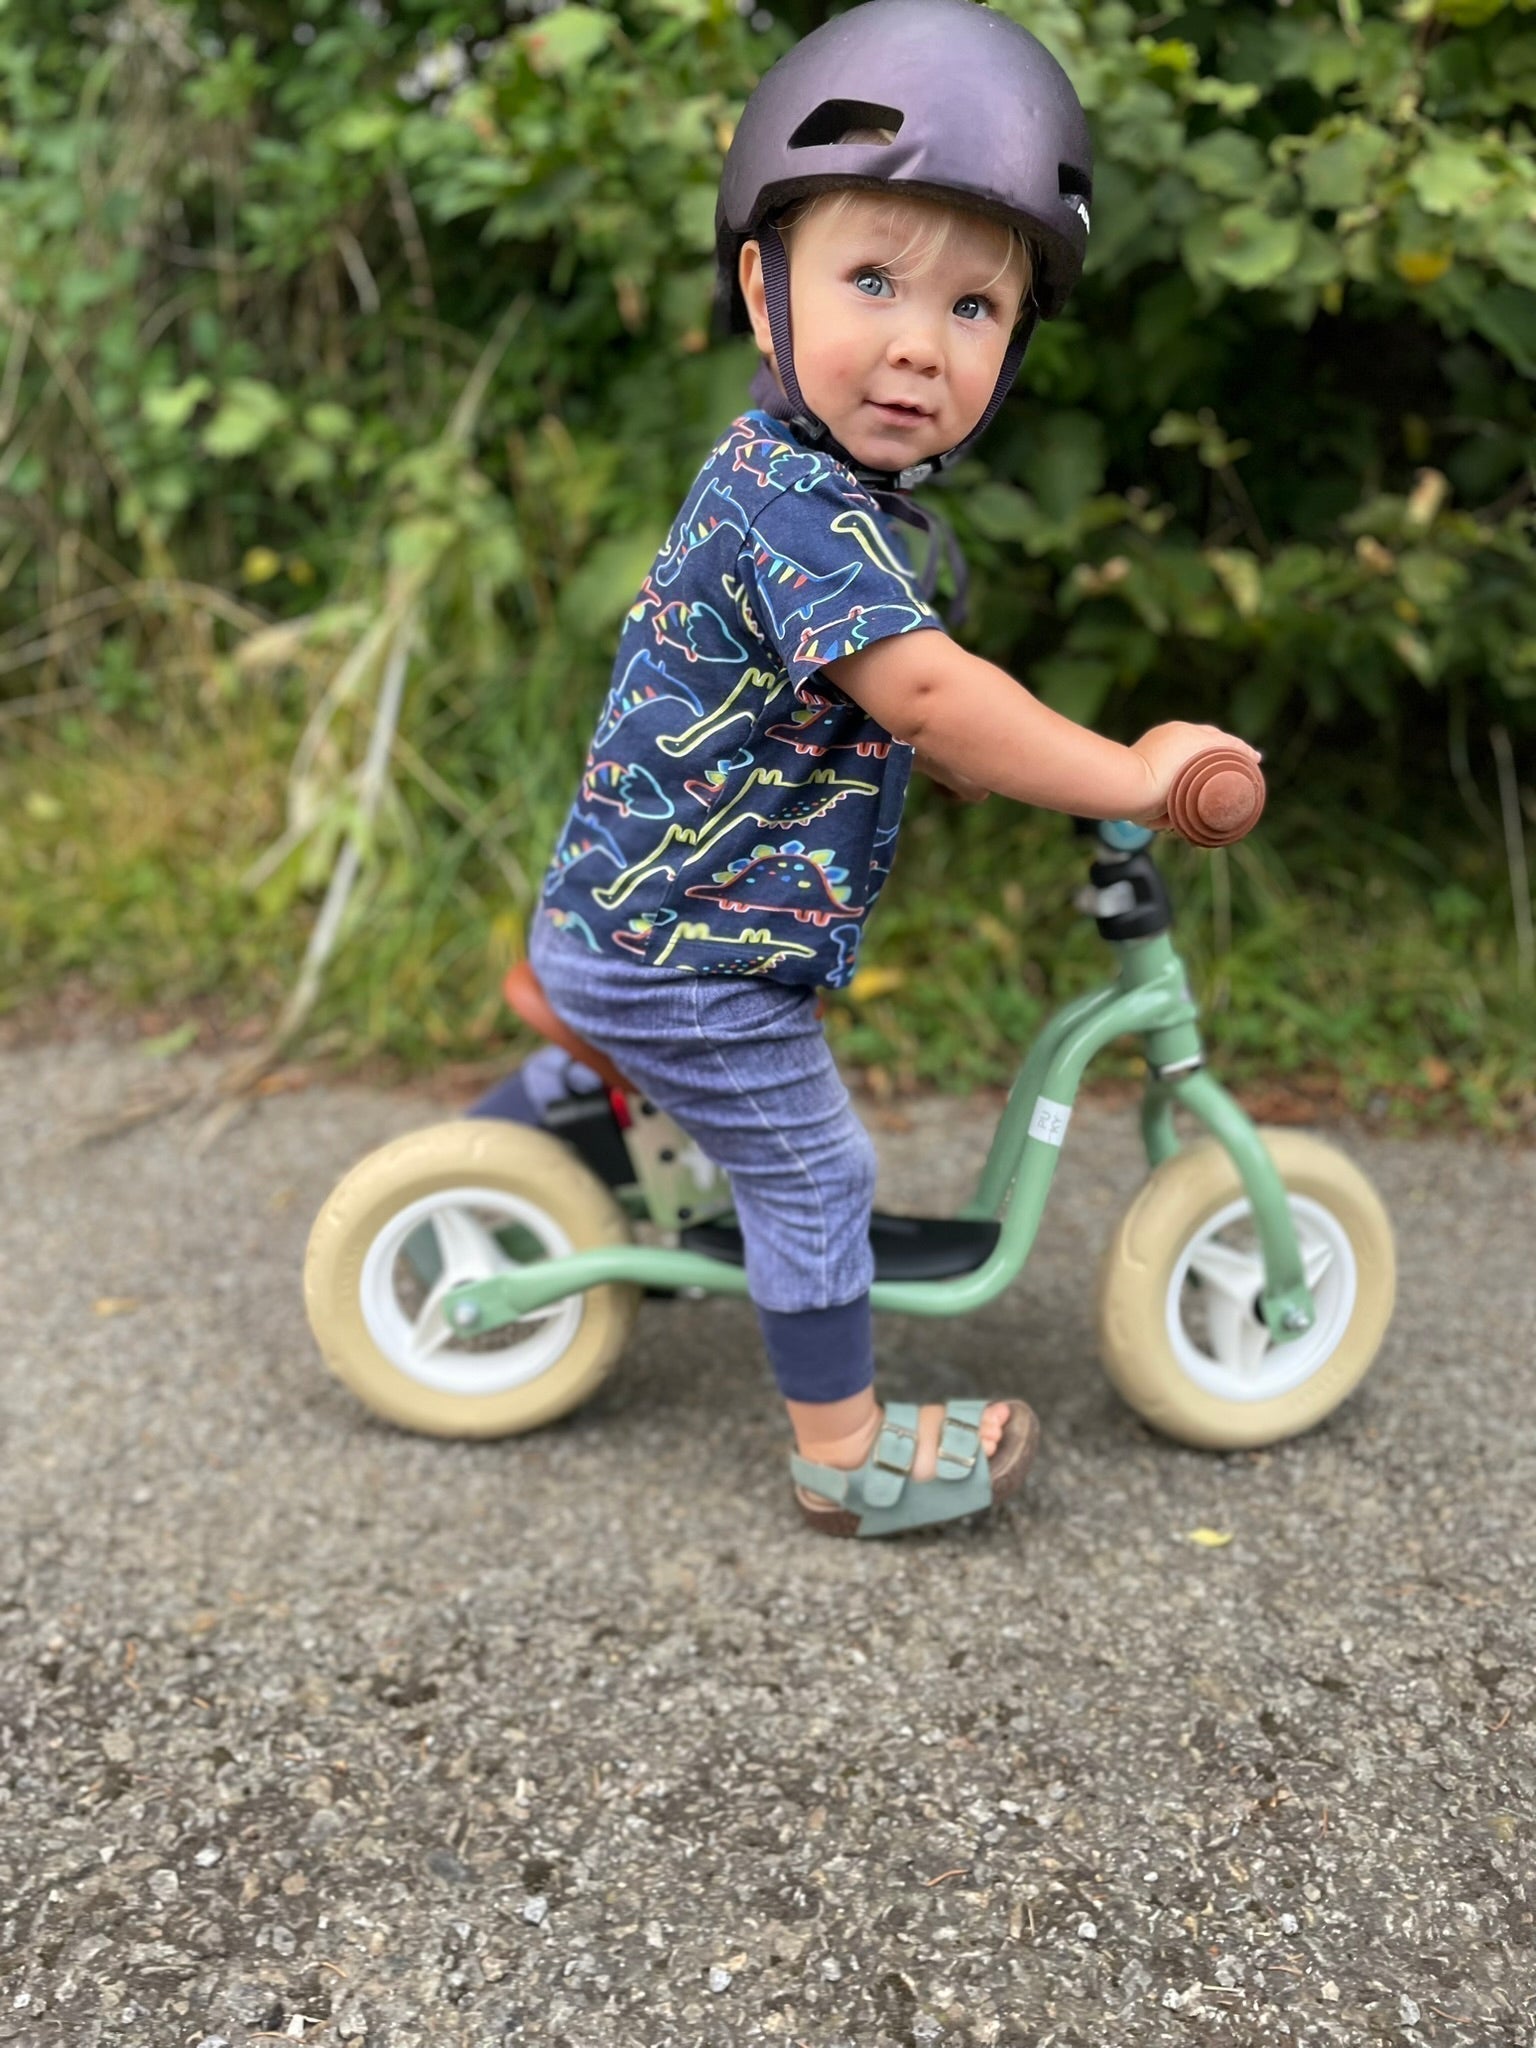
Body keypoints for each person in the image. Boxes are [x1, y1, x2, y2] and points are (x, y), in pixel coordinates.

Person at [473, 0, 1259, 1537]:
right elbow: (927, 696)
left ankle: (557, 1113)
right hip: (683, 947)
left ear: (1015, 346)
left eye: (975, 309)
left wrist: (988, 760)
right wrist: (1133, 773)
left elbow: (881, 705)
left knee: (761, 1114)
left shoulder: (821, 491)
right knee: (821, 1170)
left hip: (649, 911)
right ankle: (838, 1449)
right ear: (765, 291)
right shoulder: (794, 505)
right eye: (876, 279)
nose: (918, 340)